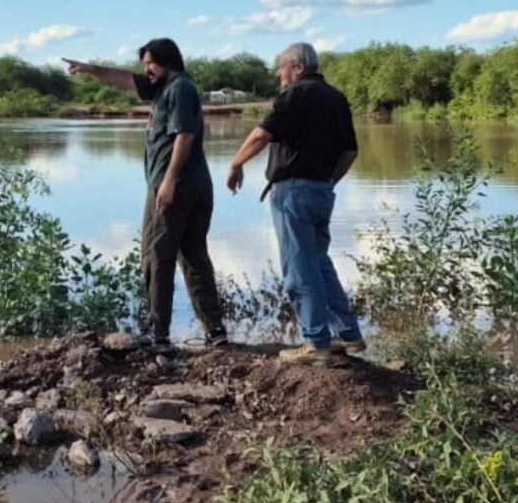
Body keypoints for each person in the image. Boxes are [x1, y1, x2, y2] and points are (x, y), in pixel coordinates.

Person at [64, 39, 228, 352]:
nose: (146, 70)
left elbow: (185, 136)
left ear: (168, 61)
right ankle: (215, 331)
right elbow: (124, 79)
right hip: (192, 183)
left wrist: (168, 182)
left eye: (150, 63)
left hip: (174, 185)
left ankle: (159, 335)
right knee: (193, 255)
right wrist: (90, 70)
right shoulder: (164, 87)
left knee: (157, 257)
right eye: (144, 65)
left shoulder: (179, 88)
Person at [226, 42, 364, 364]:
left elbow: (262, 135)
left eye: (282, 67)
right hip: (322, 191)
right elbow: (350, 152)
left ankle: (316, 342)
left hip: (293, 193)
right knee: (319, 262)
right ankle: (349, 335)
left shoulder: (296, 94)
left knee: (300, 268)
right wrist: (327, 182)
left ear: (298, 67)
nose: (278, 74)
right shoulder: (337, 98)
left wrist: (235, 163)